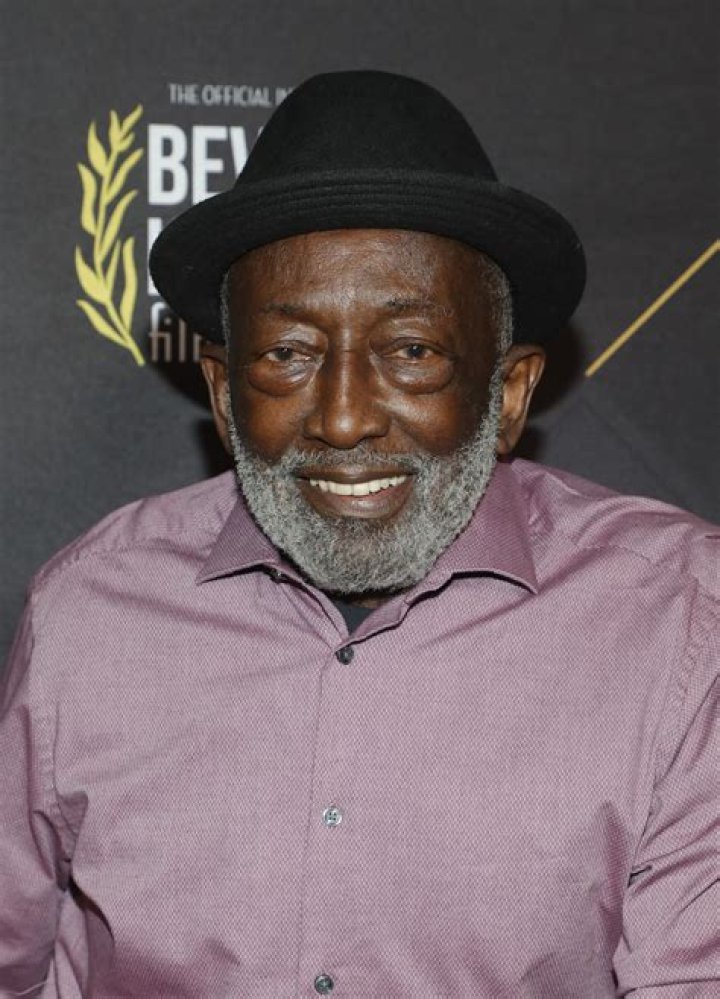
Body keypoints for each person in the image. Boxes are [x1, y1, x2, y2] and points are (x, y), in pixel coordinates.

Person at [0, 71, 716, 999]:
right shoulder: (91, 613)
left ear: (507, 394)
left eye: (412, 352)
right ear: (223, 392)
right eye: (288, 354)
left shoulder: (675, 624)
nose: (342, 419)